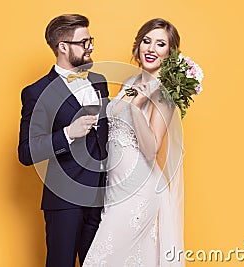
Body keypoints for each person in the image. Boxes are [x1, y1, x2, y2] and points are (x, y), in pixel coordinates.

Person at [83, 18, 185, 266]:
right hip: (115, 189)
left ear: (169, 53)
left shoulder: (163, 93)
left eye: (160, 44)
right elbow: (116, 118)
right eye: (146, 41)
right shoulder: (131, 82)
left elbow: (152, 149)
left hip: (138, 191)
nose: (151, 49)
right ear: (138, 45)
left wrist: (138, 108)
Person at [18, 14, 109, 267]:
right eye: (83, 42)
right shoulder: (36, 93)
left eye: (90, 40)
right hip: (65, 202)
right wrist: (68, 133)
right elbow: (26, 152)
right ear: (63, 47)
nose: (90, 47)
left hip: (103, 198)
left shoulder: (99, 82)